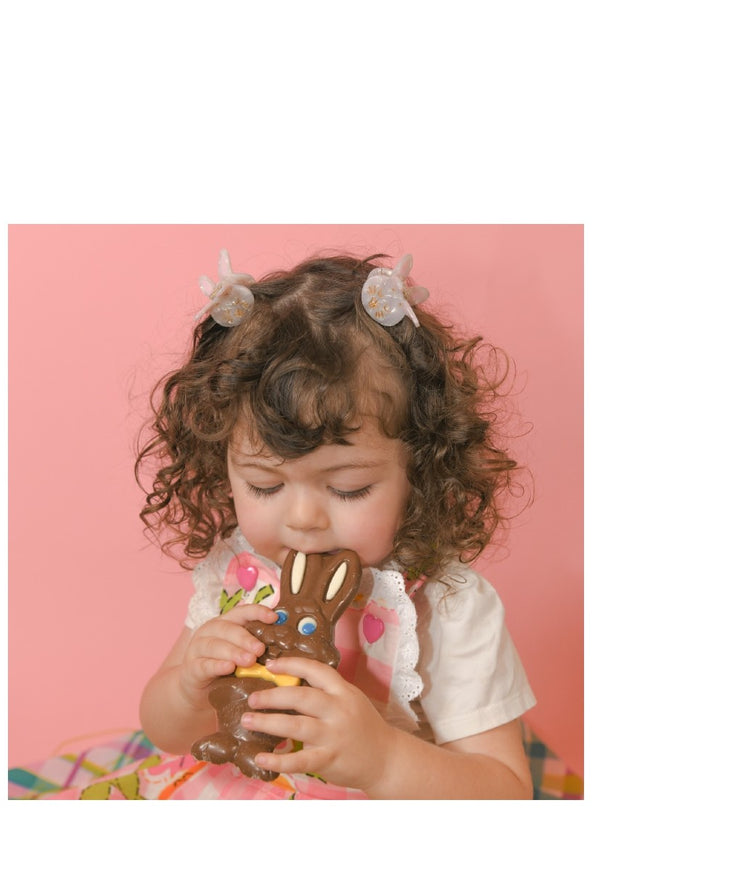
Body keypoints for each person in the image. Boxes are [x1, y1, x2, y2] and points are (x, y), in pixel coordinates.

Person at [135, 249, 536, 799]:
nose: (303, 520)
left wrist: (385, 760)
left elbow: (507, 792)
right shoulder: (241, 575)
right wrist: (188, 690)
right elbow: (163, 732)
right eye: (265, 486)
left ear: (421, 469)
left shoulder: (448, 605)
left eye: (348, 489)